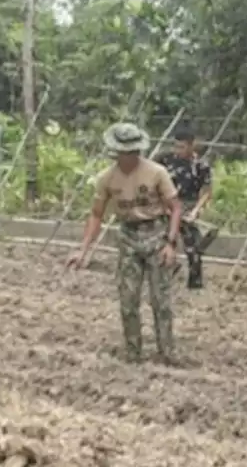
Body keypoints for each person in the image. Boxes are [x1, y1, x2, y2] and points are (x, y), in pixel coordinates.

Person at [67, 122, 184, 364]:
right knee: (128, 300)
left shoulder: (156, 172)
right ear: (116, 152)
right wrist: (83, 249)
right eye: (124, 152)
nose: (129, 156)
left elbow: (175, 208)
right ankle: (133, 352)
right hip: (128, 237)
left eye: (133, 151)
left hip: (156, 234)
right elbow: (96, 214)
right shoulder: (107, 178)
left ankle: (167, 352)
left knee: (160, 300)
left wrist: (170, 243)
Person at [159, 122, 214, 290]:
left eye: (182, 147)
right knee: (163, 242)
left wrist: (196, 211)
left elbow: (206, 191)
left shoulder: (201, 165)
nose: (178, 151)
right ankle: (166, 273)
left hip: (188, 206)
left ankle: (195, 284)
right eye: (176, 146)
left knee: (193, 248)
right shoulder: (165, 160)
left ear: (191, 146)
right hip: (167, 205)